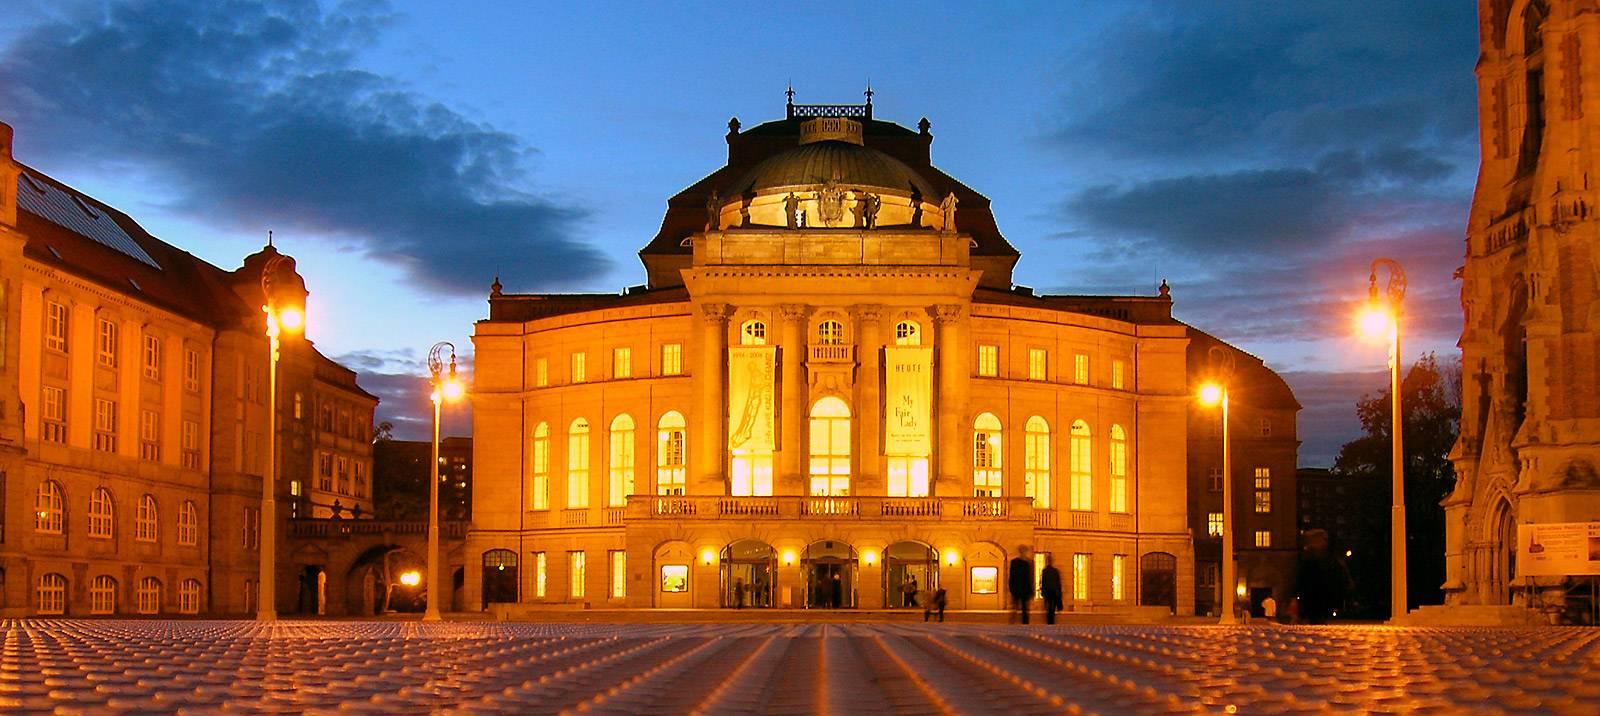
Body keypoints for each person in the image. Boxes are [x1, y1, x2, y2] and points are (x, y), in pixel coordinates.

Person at [1008, 545, 1034, 624]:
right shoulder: (1025, 562)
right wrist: (1011, 588)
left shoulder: (1028, 562)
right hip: (1019, 588)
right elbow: (1012, 576)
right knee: (1017, 608)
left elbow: (1031, 577)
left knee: (1024, 609)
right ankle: (1014, 623)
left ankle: (1022, 624)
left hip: (1024, 589)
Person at [1039, 555, 1063, 625]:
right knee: (1052, 607)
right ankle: (1051, 620)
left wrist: (1042, 591)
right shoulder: (1055, 571)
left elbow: (1042, 582)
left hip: (1047, 591)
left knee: (1048, 606)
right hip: (1054, 591)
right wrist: (1059, 592)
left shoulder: (1045, 571)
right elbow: (1058, 582)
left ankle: (1049, 621)